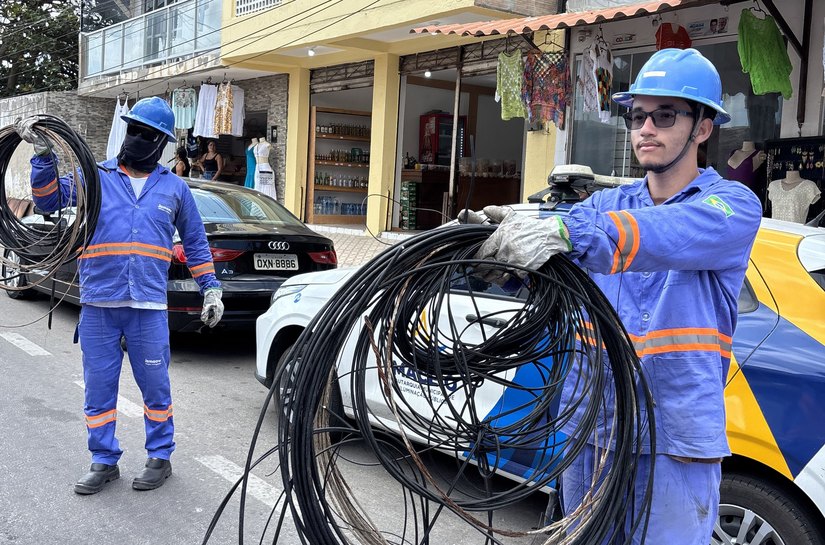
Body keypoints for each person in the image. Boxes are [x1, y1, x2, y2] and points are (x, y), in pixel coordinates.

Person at [469, 48, 762, 543]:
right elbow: (562, 271)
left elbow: (661, 233)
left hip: (675, 440)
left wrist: (565, 234)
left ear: (703, 128)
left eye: (665, 115)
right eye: (637, 115)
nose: (646, 128)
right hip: (594, 432)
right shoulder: (605, 206)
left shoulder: (731, 206)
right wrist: (505, 260)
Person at [15, 96, 225, 495]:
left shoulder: (174, 188)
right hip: (98, 304)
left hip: (147, 306)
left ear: (162, 143)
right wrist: (43, 155)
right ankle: (103, 460)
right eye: (134, 130)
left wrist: (210, 288)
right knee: (99, 387)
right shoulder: (96, 176)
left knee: (155, 387)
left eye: (148, 135)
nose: (138, 139)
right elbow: (47, 199)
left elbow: (196, 243)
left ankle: (160, 457)